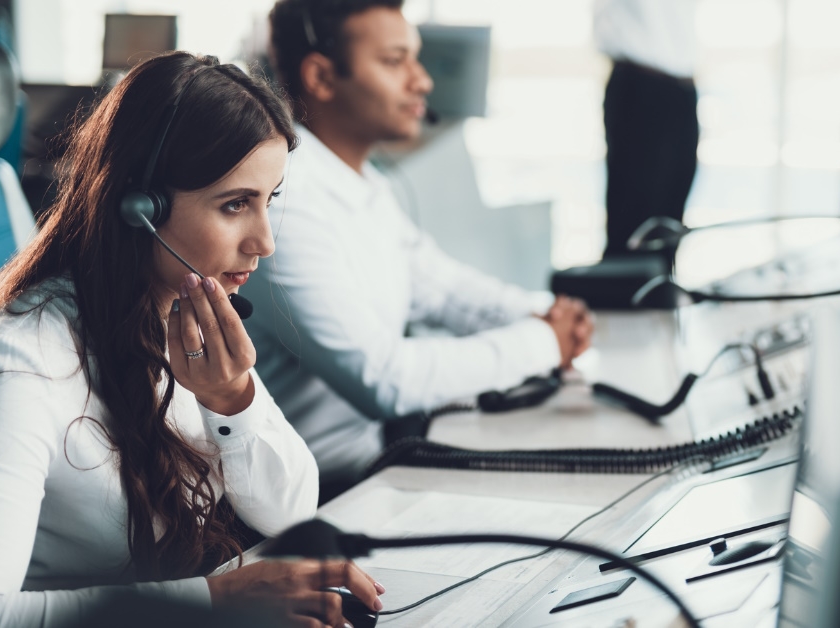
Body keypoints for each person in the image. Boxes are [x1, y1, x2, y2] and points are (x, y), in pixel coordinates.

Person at [0, 52, 383, 628]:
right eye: (236, 204)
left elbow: (290, 511)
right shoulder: (24, 360)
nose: (263, 241)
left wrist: (232, 399)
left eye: (270, 201)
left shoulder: (186, 311)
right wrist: (218, 600)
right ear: (139, 207)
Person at [252, 0, 595, 494]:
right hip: (314, 500)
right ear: (322, 78)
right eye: (395, 61)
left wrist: (552, 316)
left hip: (371, 469)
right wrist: (543, 341)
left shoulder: (365, 184)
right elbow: (384, 380)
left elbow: (444, 289)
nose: (422, 81)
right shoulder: (283, 202)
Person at [593, 0, 700, 261]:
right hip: (641, 84)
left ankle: (659, 297)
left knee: (668, 229)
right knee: (634, 232)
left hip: (682, 87)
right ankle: (624, 296)